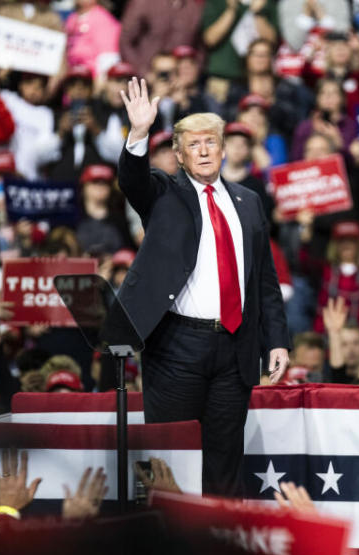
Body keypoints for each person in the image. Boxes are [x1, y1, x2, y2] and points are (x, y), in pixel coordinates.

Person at [116, 78, 290, 496]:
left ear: (224, 147)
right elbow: (132, 180)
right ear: (178, 155)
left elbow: (264, 280)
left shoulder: (249, 201)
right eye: (194, 145)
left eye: (211, 142)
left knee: (224, 463)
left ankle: (221, 549)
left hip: (236, 347)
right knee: (168, 459)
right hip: (177, 347)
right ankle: (168, 551)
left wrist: (276, 341)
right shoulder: (164, 195)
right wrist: (138, 133)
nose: (205, 150)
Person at [118, 0, 204, 74]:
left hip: (180, 83)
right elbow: (125, 42)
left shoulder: (193, 9)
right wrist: (143, 72)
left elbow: (200, 47)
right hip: (145, 79)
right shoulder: (144, 3)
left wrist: (193, 73)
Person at [322, 298, 359, 384]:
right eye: (344, 344)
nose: (351, 350)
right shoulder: (325, 379)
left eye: (356, 343)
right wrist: (334, 333)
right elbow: (338, 373)